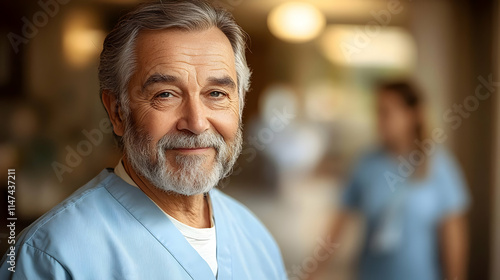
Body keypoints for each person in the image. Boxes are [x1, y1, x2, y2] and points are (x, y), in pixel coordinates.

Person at [0, 1, 287, 279]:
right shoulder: (54, 258)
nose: (197, 123)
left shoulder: (255, 237)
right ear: (117, 113)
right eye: (166, 94)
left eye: (216, 94)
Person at [313, 82, 470, 280]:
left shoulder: (439, 167)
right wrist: (313, 271)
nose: (379, 120)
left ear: (412, 115)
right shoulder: (366, 164)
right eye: (377, 112)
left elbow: (453, 236)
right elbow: (337, 227)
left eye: (386, 112)